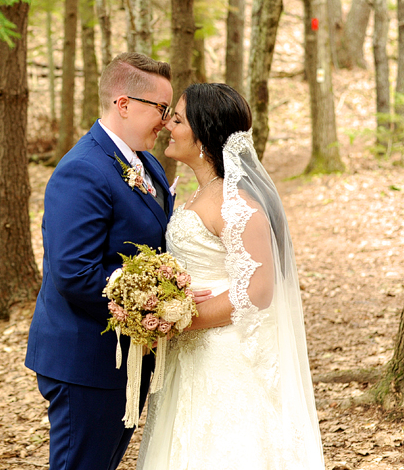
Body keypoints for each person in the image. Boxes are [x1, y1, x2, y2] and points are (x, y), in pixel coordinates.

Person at [137, 83, 325, 470]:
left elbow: (257, 291)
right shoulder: (199, 194)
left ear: (203, 133)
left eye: (178, 119)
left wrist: (179, 319)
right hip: (189, 356)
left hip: (222, 358)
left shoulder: (237, 204)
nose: (168, 125)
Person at [25, 53, 175, 470]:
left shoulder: (145, 163)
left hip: (123, 360)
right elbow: (75, 273)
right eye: (160, 108)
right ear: (123, 104)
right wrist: (156, 299)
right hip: (85, 361)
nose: (165, 120)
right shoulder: (82, 170)